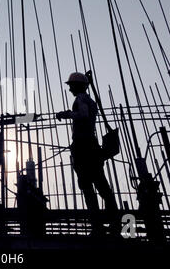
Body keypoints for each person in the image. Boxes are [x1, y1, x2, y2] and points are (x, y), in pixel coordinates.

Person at [56, 72, 119, 237]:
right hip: (89, 145)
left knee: (89, 187)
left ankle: (99, 226)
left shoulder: (82, 99)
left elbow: (83, 115)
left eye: (71, 86)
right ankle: (114, 223)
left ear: (78, 86)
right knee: (101, 186)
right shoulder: (89, 100)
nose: (69, 89)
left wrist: (66, 114)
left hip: (84, 147)